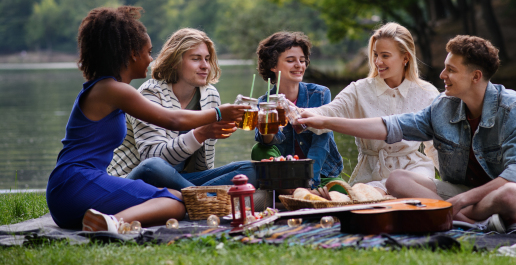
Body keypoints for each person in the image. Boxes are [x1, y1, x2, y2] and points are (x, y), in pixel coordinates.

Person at [298, 35, 516, 226]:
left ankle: (449, 216)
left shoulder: (515, 108)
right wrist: (325, 121)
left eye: (450, 70)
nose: (442, 75)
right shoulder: (443, 106)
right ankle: (468, 223)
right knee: (397, 180)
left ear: (475, 76)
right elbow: (391, 126)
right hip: (462, 194)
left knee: (512, 195)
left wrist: (461, 200)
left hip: (499, 196)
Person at [46, 7, 247, 232]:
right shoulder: (114, 89)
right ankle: (111, 224)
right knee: (177, 202)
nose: (151, 59)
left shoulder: (107, 89)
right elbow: (173, 120)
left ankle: (102, 221)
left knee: (175, 197)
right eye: (148, 52)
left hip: (71, 191)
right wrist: (220, 113)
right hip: (77, 184)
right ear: (132, 53)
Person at [108, 28, 256, 190]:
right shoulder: (150, 93)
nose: (205, 66)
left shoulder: (210, 95)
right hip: (138, 180)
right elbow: (152, 159)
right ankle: (202, 198)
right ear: (174, 61)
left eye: (207, 59)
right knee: (155, 166)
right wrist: (201, 133)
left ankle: (196, 197)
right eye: (196, 59)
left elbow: (203, 165)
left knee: (251, 170)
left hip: (180, 181)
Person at [307, 23, 439, 195]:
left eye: (385, 56)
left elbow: (436, 146)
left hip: (414, 172)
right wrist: (294, 112)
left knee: (399, 198)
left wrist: (454, 183)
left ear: (405, 57)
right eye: (376, 55)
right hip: (370, 176)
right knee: (364, 199)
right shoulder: (358, 90)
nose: (377, 62)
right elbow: (327, 113)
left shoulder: (427, 93)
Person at [251, 31, 344, 190]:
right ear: (273, 65)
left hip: (321, 174)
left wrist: (309, 181)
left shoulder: (320, 94)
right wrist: (269, 119)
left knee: (340, 191)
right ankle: (287, 186)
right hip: (286, 174)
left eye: (302, 60)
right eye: (290, 60)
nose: (299, 65)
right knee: (259, 149)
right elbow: (268, 142)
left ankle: (294, 190)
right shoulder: (264, 102)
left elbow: (322, 141)